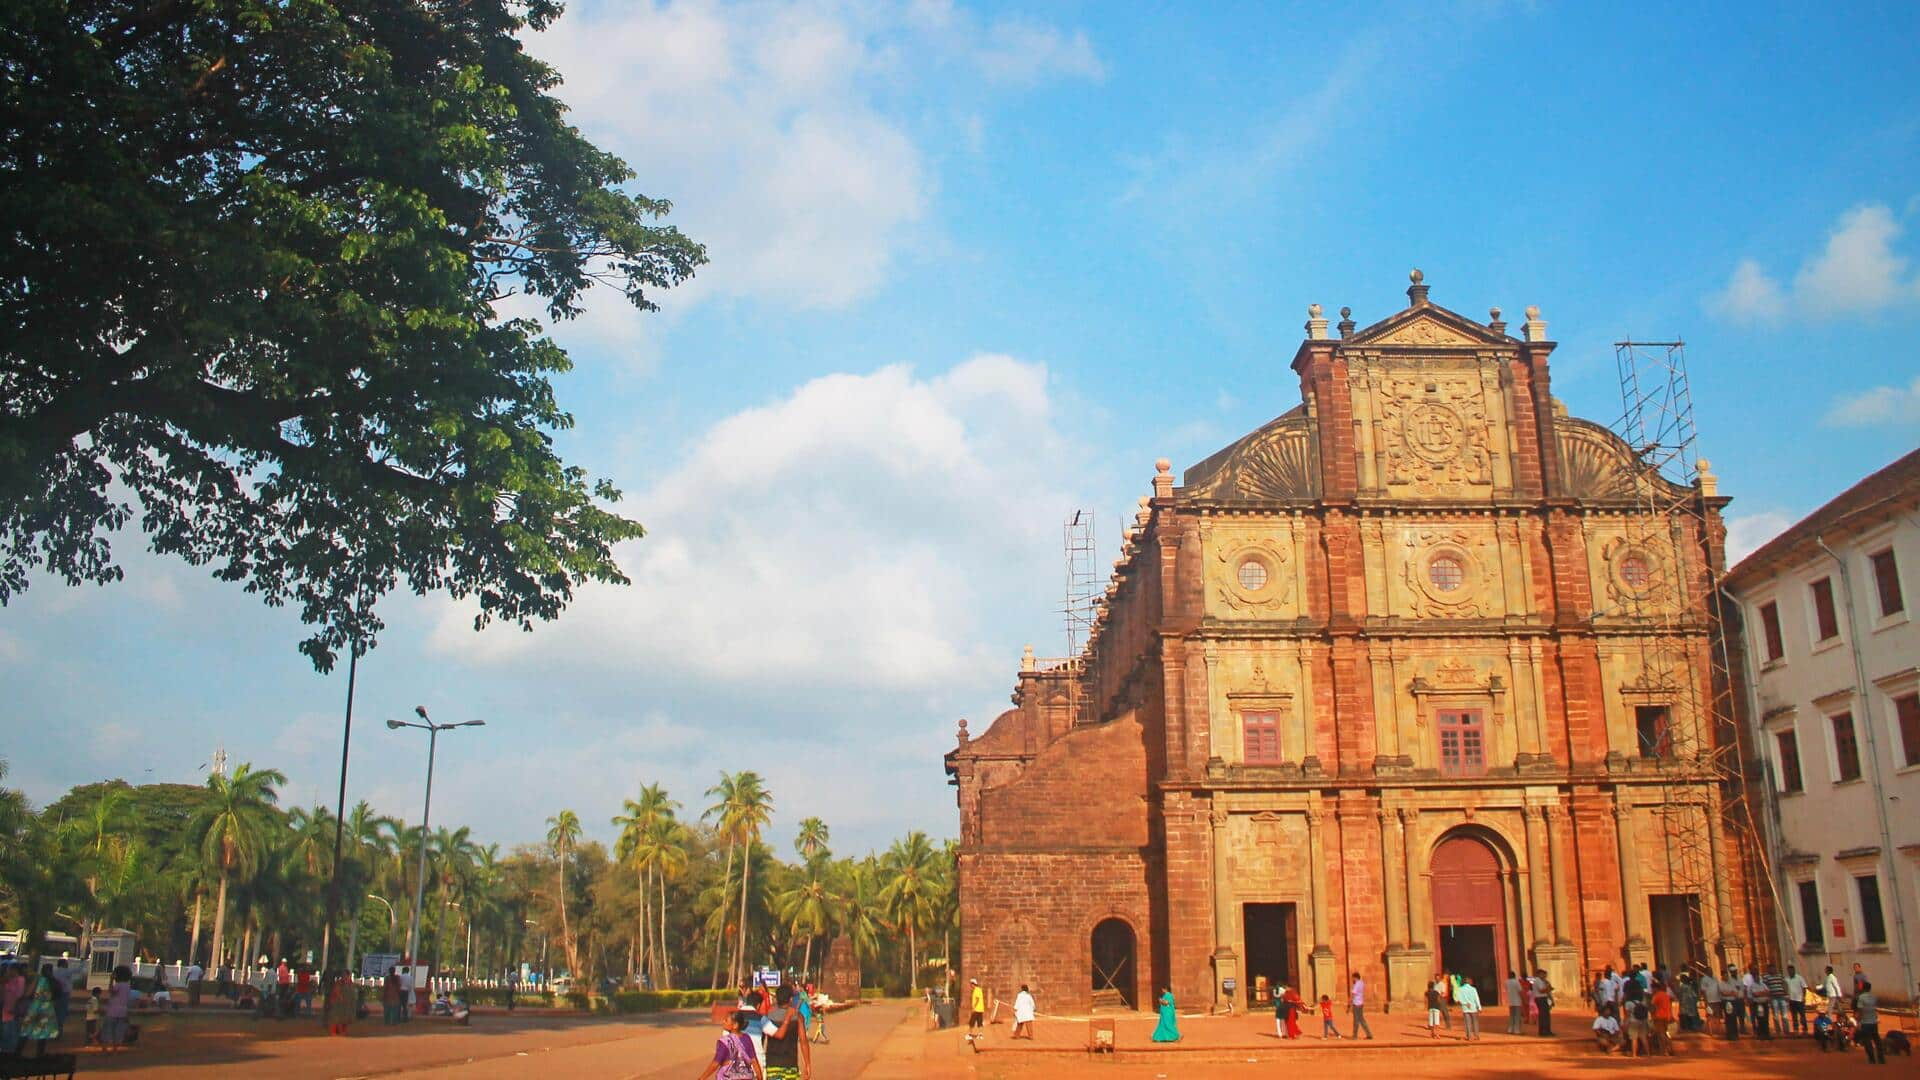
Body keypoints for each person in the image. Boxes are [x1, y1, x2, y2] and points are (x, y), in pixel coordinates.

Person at [695, 1009, 764, 1080]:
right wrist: (760, 1077)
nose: (723, 1022)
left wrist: (702, 1078)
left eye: (726, 1020)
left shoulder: (724, 1042)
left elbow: (715, 1063)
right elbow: (754, 1060)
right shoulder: (747, 1038)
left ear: (735, 1025)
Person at [760, 986, 810, 1080]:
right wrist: (807, 1064)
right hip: (790, 1064)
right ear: (791, 999)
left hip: (772, 1064)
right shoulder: (798, 1017)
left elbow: (761, 1041)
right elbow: (803, 1041)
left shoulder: (768, 1017)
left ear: (776, 999)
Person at [22, 964, 60, 1057]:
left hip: (36, 1007)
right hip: (47, 1008)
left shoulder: (38, 980)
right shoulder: (54, 981)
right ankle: (39, 1054)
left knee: (26, 1030)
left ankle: (18, 1052)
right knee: (43, 1033)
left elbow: (28, 993)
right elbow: (57, 995)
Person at [1854, 979, 1883, 1065]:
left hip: (1865, 1023)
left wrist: (1858, 1021)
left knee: (1867, 1041)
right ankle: (1881, 1059)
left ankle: (1872, 1059)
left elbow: (1860, 1010)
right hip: (1874, 1022)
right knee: (1877, 1040)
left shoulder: (1861, 997)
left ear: (1863, 988)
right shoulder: (1874, 997)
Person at [104, 965, 132, 1049]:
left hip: (113, 1010)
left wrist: (111, 980)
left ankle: (107, 1046)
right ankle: (116, 1047)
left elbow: (111, 991)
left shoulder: (119, 985)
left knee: (109, 1029)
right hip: (123, 1010)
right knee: (118, 1030)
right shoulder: (127, 986)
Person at [1, 963, 25, 1054]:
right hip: (6, 1006)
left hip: (13, 1007)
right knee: (6, 1029)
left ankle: (10, 1050)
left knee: (11, 1030)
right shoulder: (8, 980)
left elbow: (19, 994)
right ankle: (5, 1048)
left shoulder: (20, 980)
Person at [323, 971, 356, 1036]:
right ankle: (334, 1032)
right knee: (336, 1018)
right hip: (337, 1003)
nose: (345, 977)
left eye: (347, 976)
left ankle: (343, 1031)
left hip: (347, 1004)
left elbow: (352, 994)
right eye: (344, 975)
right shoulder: (339, 983)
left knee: (345, 1018)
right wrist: (340, 997)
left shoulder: (350, 983)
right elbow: (336, 991)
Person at [1649, 978, 1676, 1055]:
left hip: (1658, 1017)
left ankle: (1666, 1050)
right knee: (1664, 1033)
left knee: (1661, 1034)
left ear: (1655, 988)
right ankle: (1666, 1049)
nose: (1652, 990)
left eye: (1653, 988)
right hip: (1666, 1016)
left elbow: (1652, 1007)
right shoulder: (1666, 995)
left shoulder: (1656, 996)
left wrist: (1652, 1016)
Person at [1348, 973, 1374, 1040]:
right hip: (1361, 1003)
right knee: (1362, 1020)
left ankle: (1355, 1036)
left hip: (1356, 1004)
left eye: (1353, 978)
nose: (1352, 980)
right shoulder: (1361, 983)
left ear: (1355, 978)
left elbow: (1353, 994)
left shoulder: (1356, 985)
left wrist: (1349, 1004)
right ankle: (1369, 1034)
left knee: (1356, 1021)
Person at [1456, 975, 1482, 1042]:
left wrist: (1465, 1003)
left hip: (1465, 1008)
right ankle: (1476, 1036)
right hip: (1473, 1008)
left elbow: (1459, 999)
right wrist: (1479, 1007)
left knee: (1468, 1022)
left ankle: (1469, 1036)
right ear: (1469, 982)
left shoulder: (1460, 989)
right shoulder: (1473, 989)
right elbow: (1476, 998)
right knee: (1475, 1022)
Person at [1786, 964, 1808, 1034]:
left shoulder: (1799, 978)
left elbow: (1804, 987)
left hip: (1799, 999)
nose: (1790, 972)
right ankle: (1796, 1029)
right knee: (1794, 1015)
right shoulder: (1786, 979)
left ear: (1794, 970)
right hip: (1791, 1000)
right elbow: (1785, 988)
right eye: (1789, 970)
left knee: (1802, 1015)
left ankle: (1805, 1028)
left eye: (1791, 970)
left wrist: (1804, 997)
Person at [1532, 969, 1554, 1036]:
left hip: (1542, 998)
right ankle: (1545, 1031)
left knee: (1544, 1015)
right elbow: (1541, 990)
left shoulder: (1541, 981)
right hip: (1540, 998)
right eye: (1543, 974)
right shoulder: (1538, 981)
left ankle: (1544, 1031)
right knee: (1544, 1015)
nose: (1545, 976)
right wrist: (1548, 987)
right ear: (1539, 974)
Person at [965, 978, 986, 1042]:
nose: (971, 986)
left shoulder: (976, 990)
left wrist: (974, 1008)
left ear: (973, 984)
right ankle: (980, 1035)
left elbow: (977, 999)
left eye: (971, 984)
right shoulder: (979, 990)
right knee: (980, 1023)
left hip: (976, 1009)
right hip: (980, 1009)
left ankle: (970, 1035)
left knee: (971, 1022)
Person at [1505, 970, 1524, 1034]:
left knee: (1512, 1016)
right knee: (1517, 1016)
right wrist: (1523, 999)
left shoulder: (1506, 982)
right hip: (1517, 1001)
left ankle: (1510, 1029)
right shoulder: (1516, 982)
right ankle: (1517, 1030)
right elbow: (1520, 991)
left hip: (1511, 1001)